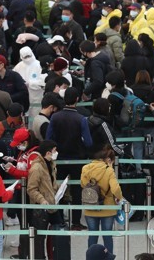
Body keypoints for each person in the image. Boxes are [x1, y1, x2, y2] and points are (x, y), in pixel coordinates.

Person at [46, 87, 92, 230]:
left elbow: (49, 138)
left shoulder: (55, 117)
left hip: (59, 159)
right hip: (78, 159)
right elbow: (88, 142)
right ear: (77, 100)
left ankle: (59, 220)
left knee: (59, 189)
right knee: (77, 190)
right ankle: (76, 222)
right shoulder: (81, 119)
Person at [81, 148, 123, 253]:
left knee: (92, 236)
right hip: (107, 208)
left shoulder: (85, 168)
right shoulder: (108, 170)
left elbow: (83, 184)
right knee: (107, 236)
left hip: (90, 207)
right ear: (108, 160)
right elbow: (115, 189)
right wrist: (120, 197)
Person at [26, 140, 62, 258]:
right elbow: (31, 189)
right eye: (54, 151)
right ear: (47, 153)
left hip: (52, 205)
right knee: (39, 239)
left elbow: (51, 184)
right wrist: (42, 200)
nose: (56, 153)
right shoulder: (36, 168)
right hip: (41, 209)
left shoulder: (51, 164)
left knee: (56, 235)